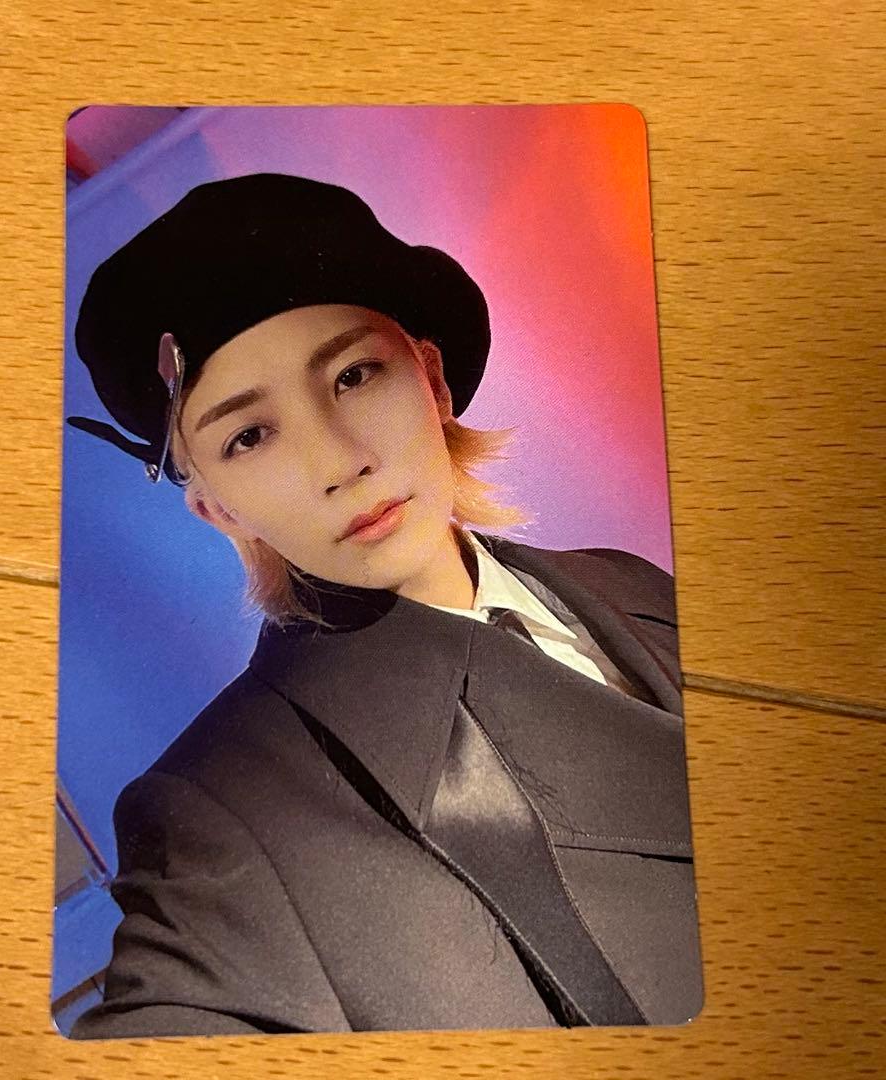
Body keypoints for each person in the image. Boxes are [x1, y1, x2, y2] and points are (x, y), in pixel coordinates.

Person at [64, 173, 702, 1038]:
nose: (340, 461)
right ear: (218, 510)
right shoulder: (221, 816)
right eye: (249, 435)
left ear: (431, 379)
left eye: (354, 375)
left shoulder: (627, 584)